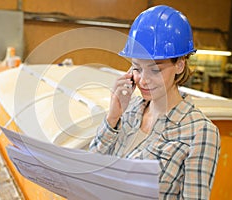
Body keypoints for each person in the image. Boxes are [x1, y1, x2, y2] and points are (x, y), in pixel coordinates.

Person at [89, 5, 220, 199]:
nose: (142, 80)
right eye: (137, 68)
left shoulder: (200, 132)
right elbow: (91, 168)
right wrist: (113, 116)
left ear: (180, 65)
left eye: (155, 70)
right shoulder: (129, 111)